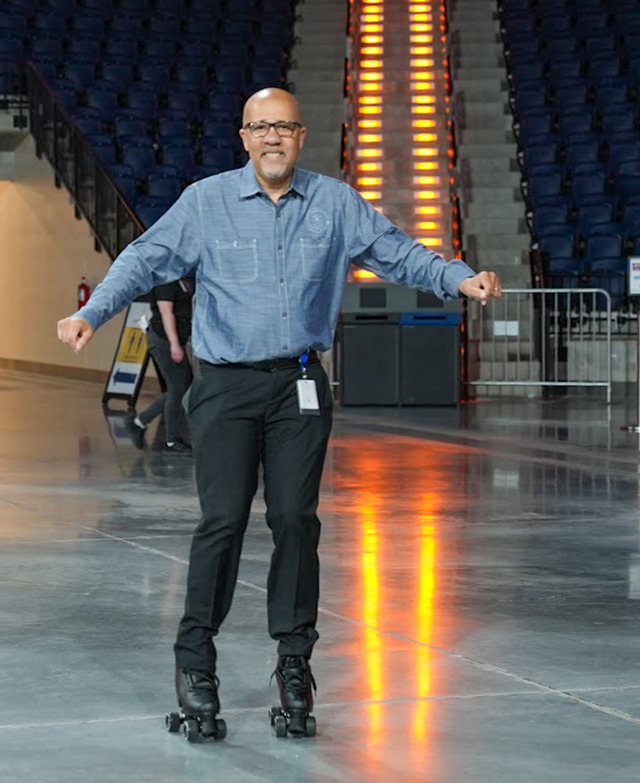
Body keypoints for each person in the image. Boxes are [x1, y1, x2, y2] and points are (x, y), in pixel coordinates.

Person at [58, 87, 502, 739]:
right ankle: (195, 665)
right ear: (243, 137)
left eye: (284, 126)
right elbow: (144, 259)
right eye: (260, 127)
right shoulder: (206, 202)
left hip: (299, 384)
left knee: (296, 520)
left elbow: (396, 251)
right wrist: (93, 312)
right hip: (226, 388)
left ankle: (294, 663)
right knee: (223, 521)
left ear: (300, 136)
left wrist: (457, 277)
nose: (272, 137)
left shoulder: (334, 203)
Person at [128, 279, 193, 453]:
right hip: (163, 340)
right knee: (176, 387)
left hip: (171, 340)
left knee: (180, 387)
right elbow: (166, 312)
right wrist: (174, 345)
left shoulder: (180, 282)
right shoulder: (165, 283)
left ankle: (139, 422)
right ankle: (172, 440)